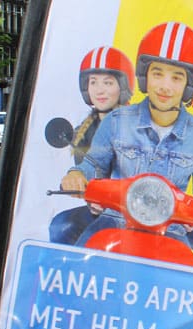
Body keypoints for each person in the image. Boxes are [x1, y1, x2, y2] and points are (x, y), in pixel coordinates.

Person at [59, 22, 193, 272]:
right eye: (157, 74)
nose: (165, 86)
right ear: (144, 76)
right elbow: (94, 165)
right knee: (75, 271)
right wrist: (76, 175)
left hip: (171, 227)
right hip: (114, 221)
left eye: (176, 77)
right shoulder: (117, 121)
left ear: (189, 84)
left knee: (190, 280)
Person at [49, 46, 134, 245]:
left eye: (108, 82)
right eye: (92, 82)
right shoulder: (82, 132)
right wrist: (75, 180)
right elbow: (87, 170)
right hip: (100, 211)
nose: (99, 89)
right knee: (60, 226)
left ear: (122, 86)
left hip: (135, 212)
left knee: (89, 244)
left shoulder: (137, 125)